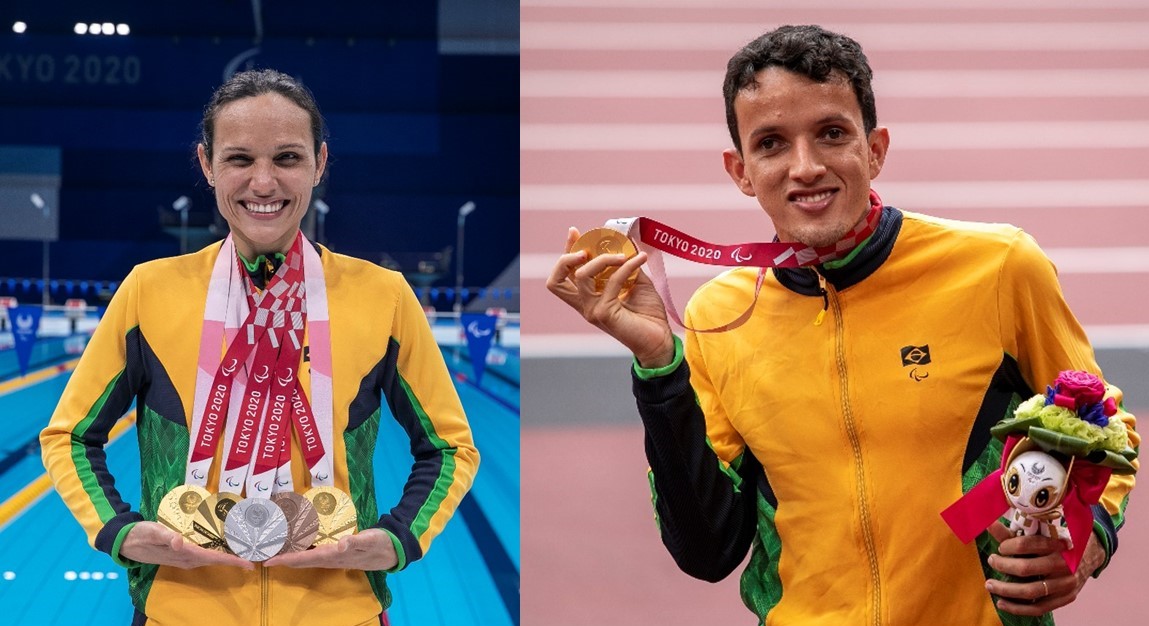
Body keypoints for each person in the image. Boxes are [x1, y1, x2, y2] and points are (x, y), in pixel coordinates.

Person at [546, 24, 1137, 625]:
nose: (805, 167)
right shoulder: (715, 318)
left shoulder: (1000, 266)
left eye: (831, 134)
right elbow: (707, 550)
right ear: (740, 170)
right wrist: (656, 365)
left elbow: (1100, 419)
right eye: (771, 143)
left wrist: (1093, 540)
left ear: (874, 149)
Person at [40, 69, 479, 626]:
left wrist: (400, 538)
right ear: (207, 164)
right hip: (181, 611)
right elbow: (70, 435)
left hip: (339, 611)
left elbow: (450, 447)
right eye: (240, 159)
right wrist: (118, 529)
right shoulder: (148, 292)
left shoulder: (383, 297)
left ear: (320, 163)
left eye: (288, 158)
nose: (264, 183)